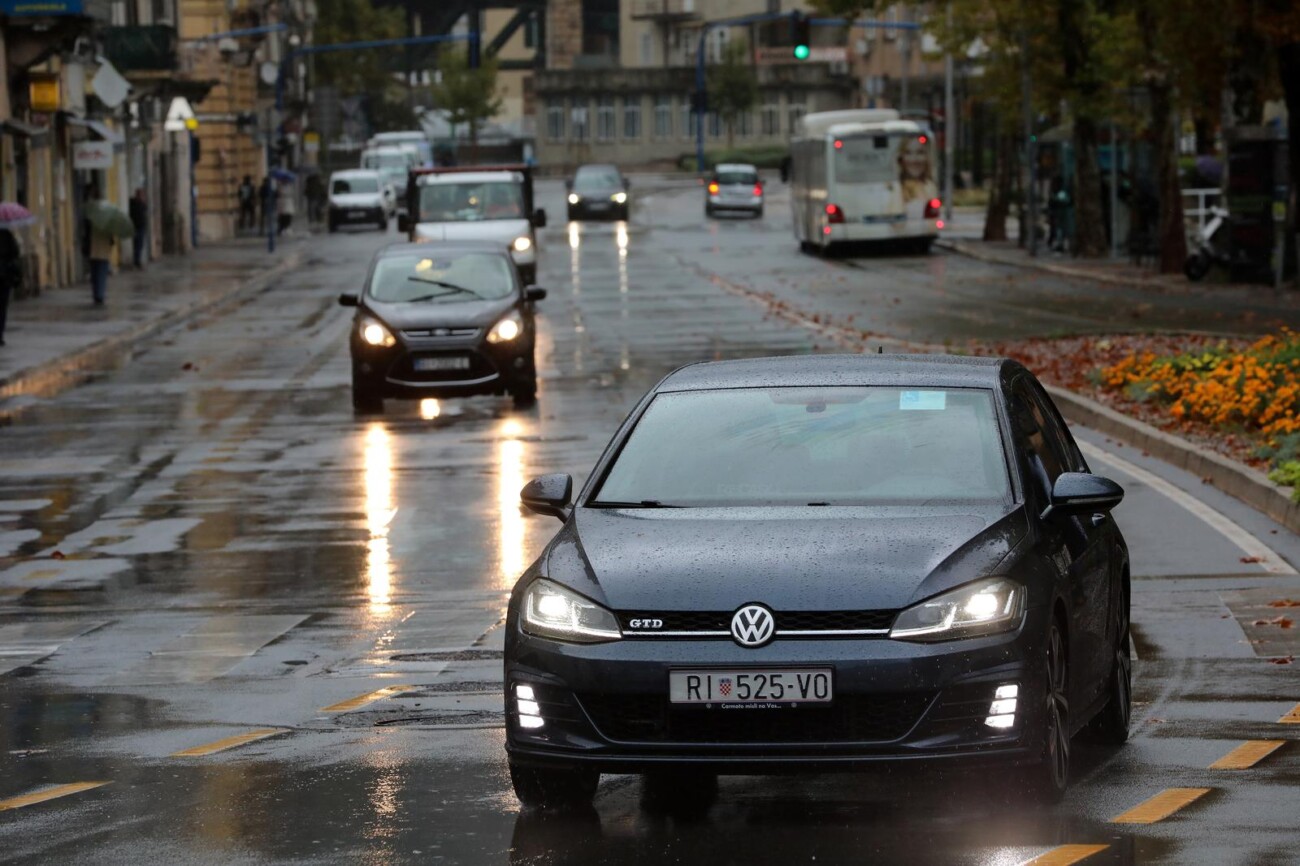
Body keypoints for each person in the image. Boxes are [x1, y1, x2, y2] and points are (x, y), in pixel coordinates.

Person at [82, 183, 114, 307]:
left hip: (93, 244)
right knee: (101, 271)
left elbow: (86, 228)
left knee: (95, 271)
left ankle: (97, 294)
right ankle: (99, 295)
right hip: (102, 244)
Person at [0, 227, 21, 346]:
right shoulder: (6, 234)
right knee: (2, 307)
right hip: (4, 275)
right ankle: (0, 335)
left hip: (4, 275)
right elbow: (16, 252)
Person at [129, 187, 148, 268]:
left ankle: (137, 260)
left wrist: (143, 202)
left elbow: (145, 211)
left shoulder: (142, 204)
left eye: (142, 195)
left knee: (140, 245)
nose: (141, 196)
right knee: (136, 245)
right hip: (135, 227)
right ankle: (136, 261)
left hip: (141, 227)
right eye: (139, 195)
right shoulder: (133, 203)